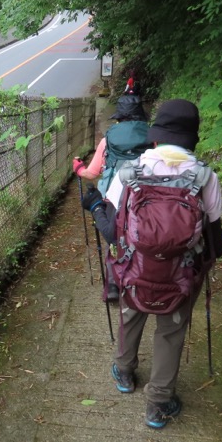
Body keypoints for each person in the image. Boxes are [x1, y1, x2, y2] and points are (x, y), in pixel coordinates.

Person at [81, 98, 222, 429]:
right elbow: (217, 243)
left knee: (131, 314)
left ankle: (124, 370)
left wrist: (95, 208)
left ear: (156, 135)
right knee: (171, 332)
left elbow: (113, 231)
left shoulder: (129, 173)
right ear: (193, 138)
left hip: (134, 271)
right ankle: (159, 403)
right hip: (180, 276)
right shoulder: (205, 178)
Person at [72, 94, 153, 300]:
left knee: (115, 239)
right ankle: (142, 278)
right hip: (146, 194)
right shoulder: (154, 137)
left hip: (114, 196)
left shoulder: (107, 139)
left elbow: (92, 173)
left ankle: (113, 286)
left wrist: (79, 168)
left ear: (119, 118)